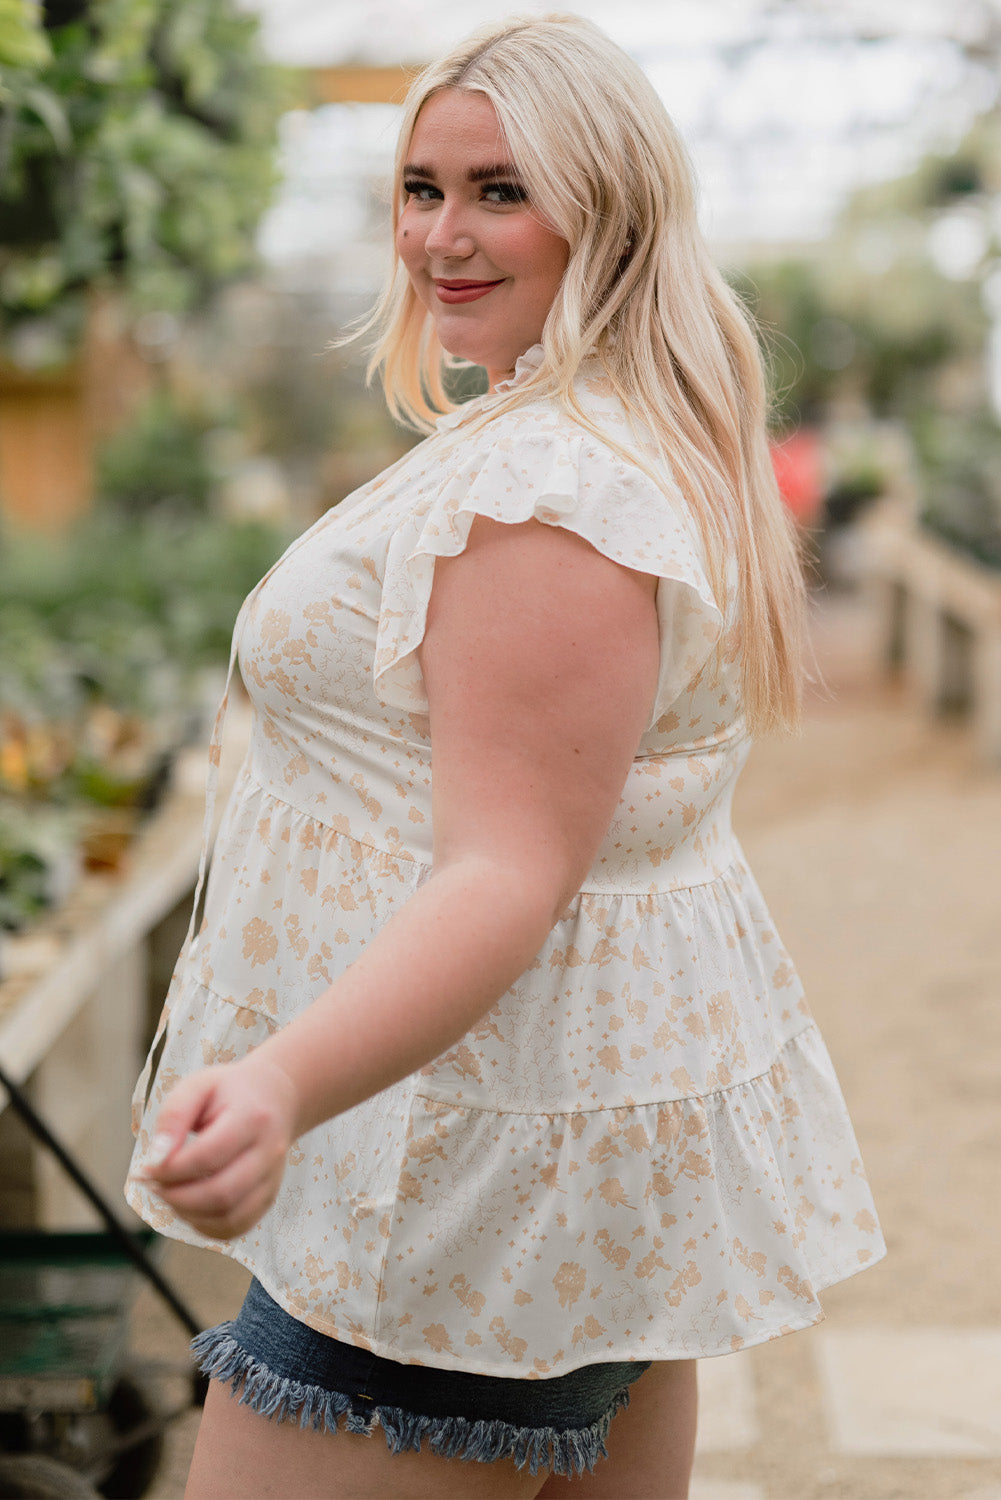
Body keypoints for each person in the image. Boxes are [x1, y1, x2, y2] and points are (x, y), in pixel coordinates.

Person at [126, 14, 885, 1498]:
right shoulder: (599, 433)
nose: (442, 237)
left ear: (606, 206)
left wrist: (278, 1082)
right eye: (421, 188)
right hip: (553, 1154)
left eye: (500, 189)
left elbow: (506, 870)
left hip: (452, 1177)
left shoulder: (549, 490)